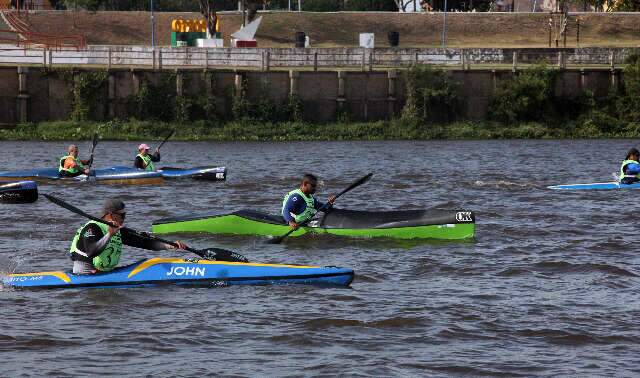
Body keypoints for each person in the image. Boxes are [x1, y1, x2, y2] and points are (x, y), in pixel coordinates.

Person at [69, 198, 187, 274]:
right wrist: (110, 234)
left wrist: (170, 245)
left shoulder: (118, 230)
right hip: (86, 273)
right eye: (122, 215)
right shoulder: (92, 227)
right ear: (110, 215)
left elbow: (143, 243)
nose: (124, 218)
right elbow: (91, 251)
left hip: (104, 272)